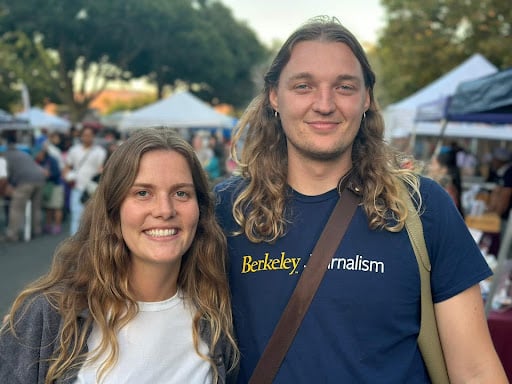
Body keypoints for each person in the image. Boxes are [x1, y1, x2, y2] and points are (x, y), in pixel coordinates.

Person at [214, 16, 507, 383]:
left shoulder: (422, 207)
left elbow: (476, 370)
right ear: (274, 96)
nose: (324, 104)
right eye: (303, 86)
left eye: (344, 87)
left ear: (366, 97)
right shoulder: (225, 211)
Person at [0, 127, 238, 383]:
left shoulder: (217, 317)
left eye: (181, 193)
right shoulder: (50, 316)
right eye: (142, 193)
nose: (165, 210)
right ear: (114, 211)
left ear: (200, 210)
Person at [2, 131, 46, 242]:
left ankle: (12, 234)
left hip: (25, 181)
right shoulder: (23, 153)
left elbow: (4, 177)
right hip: (40, 179)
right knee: (36, 207)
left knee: (16, 207)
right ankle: (36, 230)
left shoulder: (5, 157)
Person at [63, 126, 107, 235]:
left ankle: (89, 242)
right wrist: (67, 177)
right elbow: (67, 167)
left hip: (92, 189)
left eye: (90, 135)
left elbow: (101, 169)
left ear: (93, 137)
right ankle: (74, 243)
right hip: (77, 187)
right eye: (85, 135)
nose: (87, 137)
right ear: (81, 136)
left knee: (93, 217)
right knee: (76, 216)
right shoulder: (74, 150)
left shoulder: (99, 151)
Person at [34, 143, 65, 234]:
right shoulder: (38, 161)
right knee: (48, 207)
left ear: (42, 153)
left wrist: (49, 174)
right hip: (46, 186)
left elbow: (57, 173)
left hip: (55, 186)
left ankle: (57, 226)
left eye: (38, 154)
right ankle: (48, 225)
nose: (37, 156)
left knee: (57, 207)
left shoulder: (52, 160)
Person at [427, 146, 464, 217]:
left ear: (444, 169)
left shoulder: (445, 191)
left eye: (433, 164)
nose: (429, 167)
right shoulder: (446, 189)